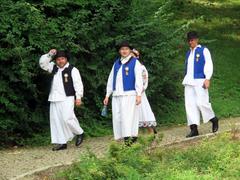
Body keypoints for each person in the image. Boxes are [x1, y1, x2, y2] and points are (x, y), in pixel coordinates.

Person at [39, 49, 84, 151]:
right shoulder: (53, 68)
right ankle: (62, 143)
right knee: (56, 121)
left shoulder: (73, 70)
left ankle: (80, 132)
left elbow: (78, 84)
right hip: (54, 98)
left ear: (66, 59)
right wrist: (50, 54)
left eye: (62, 59)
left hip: (67, 97)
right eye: (58, 59)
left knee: (67, 118)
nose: (60, 61)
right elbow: (42, 63)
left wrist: (78, 97)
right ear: (56, 61)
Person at [103, 42, 143, 146]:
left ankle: (128, 140)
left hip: (129, 94)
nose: (124, 51)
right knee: (118, 117)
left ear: (130, 50)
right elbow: (111, 79)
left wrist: (139, 94)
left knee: (128, 117)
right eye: (122, 49)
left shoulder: (135, 62)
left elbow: (139, 79)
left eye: (126, 49)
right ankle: (129, 138)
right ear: (119, 51)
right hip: (117, 94)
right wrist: (108, 95)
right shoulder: (117, 63)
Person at [183, 31, 219, 138]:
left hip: (200, 80)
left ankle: (213, 119)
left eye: (192, 40)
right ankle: (194, 129)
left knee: (202, 103)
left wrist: (207, 78)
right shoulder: (188, 53)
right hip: (189, 81)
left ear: (197, 39)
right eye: (189, 40)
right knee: (190, 105)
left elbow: (208, 64)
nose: (191, 42)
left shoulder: (203, 50)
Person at [131, 49, 157, 134]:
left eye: (132, 56)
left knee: (143, 112)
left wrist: (141, 90)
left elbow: (145, 79)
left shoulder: (141, 67)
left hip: (139, 93)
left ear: (136, 57)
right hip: (130, 93)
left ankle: (151, 130)